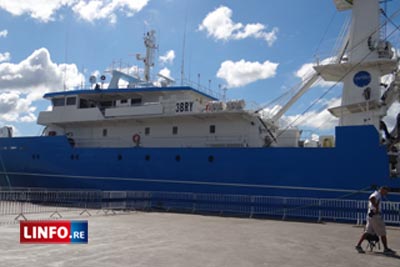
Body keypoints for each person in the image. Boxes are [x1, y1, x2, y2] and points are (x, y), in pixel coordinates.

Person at [355, 186, 396, 254]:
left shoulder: (377, 194)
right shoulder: (377, 194)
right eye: (386, 191)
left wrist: (375, 207)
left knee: (367, 231)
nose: (386, 193)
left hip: (371, 215)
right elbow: (371, 198)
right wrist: (376, 207)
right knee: (382, 232)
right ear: (382, 190)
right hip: (375, 216)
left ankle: (358, 245)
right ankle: (386, 249)